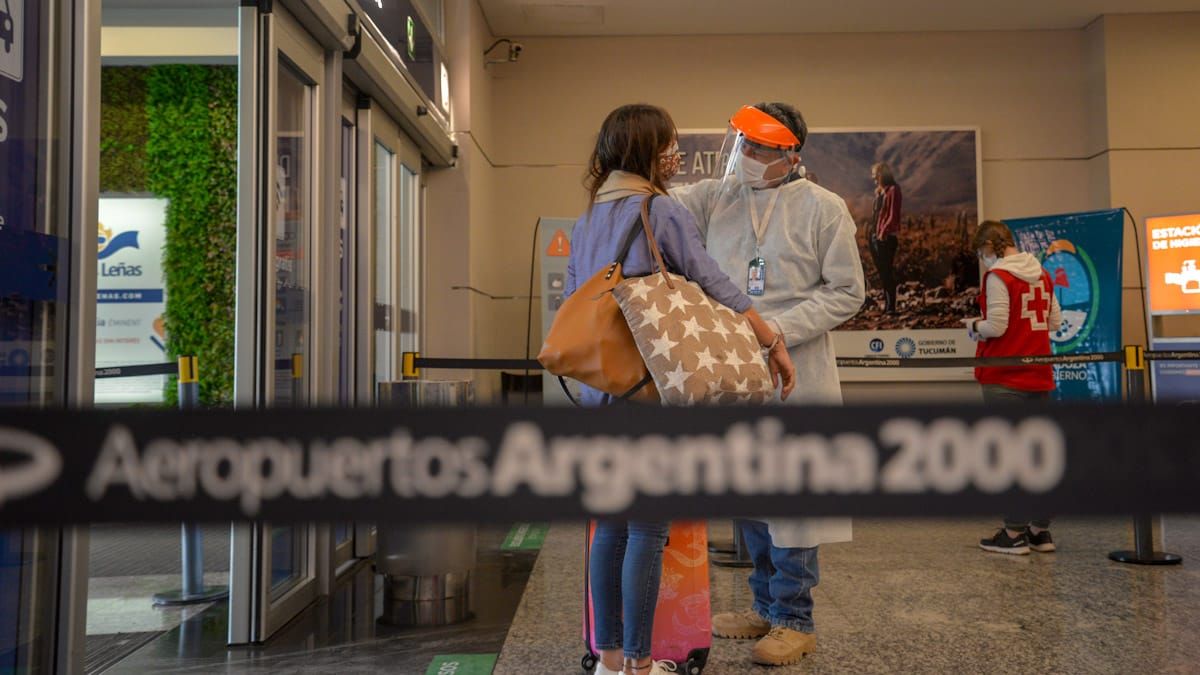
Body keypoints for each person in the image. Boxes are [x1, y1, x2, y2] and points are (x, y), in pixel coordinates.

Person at [565, 103, 796, 675]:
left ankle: (610, 660)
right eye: (667, 143)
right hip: (650, 388)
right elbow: (709, 278)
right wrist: (767, 335)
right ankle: (641, 666)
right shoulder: (658, 209)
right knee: (647, 527)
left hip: (600, 391)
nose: (675, 154)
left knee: (610, 528)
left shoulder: (589, 217)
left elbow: (575, 298)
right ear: (646, 149)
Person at [671, 103, 865, 667]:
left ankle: (793, 619)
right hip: (734, 372)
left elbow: (847, 292)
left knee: (794, 498)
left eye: (759, 149)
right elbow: (661, 209)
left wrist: (778, 328)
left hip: (796, 372)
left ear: (791, 154)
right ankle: (761, 606)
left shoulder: (824, 209)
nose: (745, 158)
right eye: (741, 145)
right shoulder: (718, 197)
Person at [964, 219, 1061, 556]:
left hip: (1004, 376)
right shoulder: (1042, 274)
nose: (983, 258)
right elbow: (1054, 321)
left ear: (990, 246)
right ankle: (1040, 530)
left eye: (982, 252)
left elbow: (996, 325)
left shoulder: (999, 276)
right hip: (1039, 374)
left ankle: (1014, 532)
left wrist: (974, 326)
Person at [868, 162, 902, 314]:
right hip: (875, 236)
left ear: (882, 174)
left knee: (887, 271)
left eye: (876, 175)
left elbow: (893, 215)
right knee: (882, 272)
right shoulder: (879, 192)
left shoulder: (894, 190)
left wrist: (883, 232)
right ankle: (887, 305)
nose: (874, 178)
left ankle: (891, 307)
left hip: (886, 238)